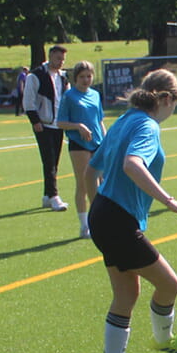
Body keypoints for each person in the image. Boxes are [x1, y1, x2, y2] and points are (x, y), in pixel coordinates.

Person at [89, 69, 177, 353]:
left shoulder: (123, 120)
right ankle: (164, 341)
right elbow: (132, 164)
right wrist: (170, 200)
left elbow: (91, 170)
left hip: (104, 215)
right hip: (116, 220)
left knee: (126, 293)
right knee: (169, 285)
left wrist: (99, 206)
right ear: (164, 99)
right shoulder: (147, 126)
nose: (172, 111)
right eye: (174, 104)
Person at [57, 61, 106, 239]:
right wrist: (78, 126)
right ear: (75, 78)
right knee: (84, 184)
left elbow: (99, 120)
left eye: (89, 76)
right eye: (82, 77)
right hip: (79, 145)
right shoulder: (69, 96)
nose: (86, 80)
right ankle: (85, 225)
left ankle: (101, 220)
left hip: (97, 143)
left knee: (101, 183)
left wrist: (106, 140)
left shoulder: (95, 95)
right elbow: (60, 122)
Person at [24, 45, 69, 211]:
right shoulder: (36, 76)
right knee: (48, 160)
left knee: (54, 161)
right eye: (58, 58)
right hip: (43, 124)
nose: (60, 62)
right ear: (50, 56)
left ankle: (47, 195)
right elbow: (28, 101)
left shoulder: (63, 77)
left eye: (63, 59)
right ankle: (54, 196)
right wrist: (35, 120)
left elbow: (66, 98)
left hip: (59, 124)